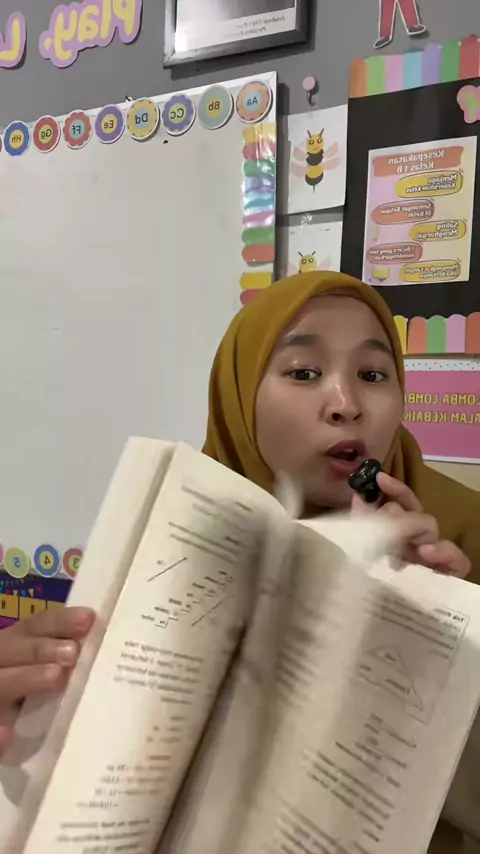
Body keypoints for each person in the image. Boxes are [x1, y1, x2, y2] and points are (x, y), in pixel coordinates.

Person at [0, 271, 479, 853]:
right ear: (239, 397)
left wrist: (438, 642)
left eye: (373, 375)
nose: (346, 405)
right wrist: (27, 722)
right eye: (304, 373)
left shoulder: (462, 539)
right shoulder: (170, 544)